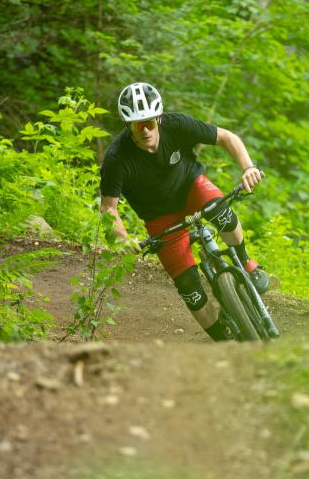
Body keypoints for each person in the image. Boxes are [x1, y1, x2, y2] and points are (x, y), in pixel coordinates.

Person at [99, 81, 269, 342]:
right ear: (127, 125)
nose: (144, 130)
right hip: (160, 218)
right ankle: (223, 341)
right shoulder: (116, 158)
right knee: (189, 288)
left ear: (159, 117)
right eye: (136, 124)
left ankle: (248, 265)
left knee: (220, 210)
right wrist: (123, 239)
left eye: (149, 122)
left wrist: (248, 167)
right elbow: (109, 208)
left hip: (191, 188)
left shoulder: (176, 125)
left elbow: (227, 137)